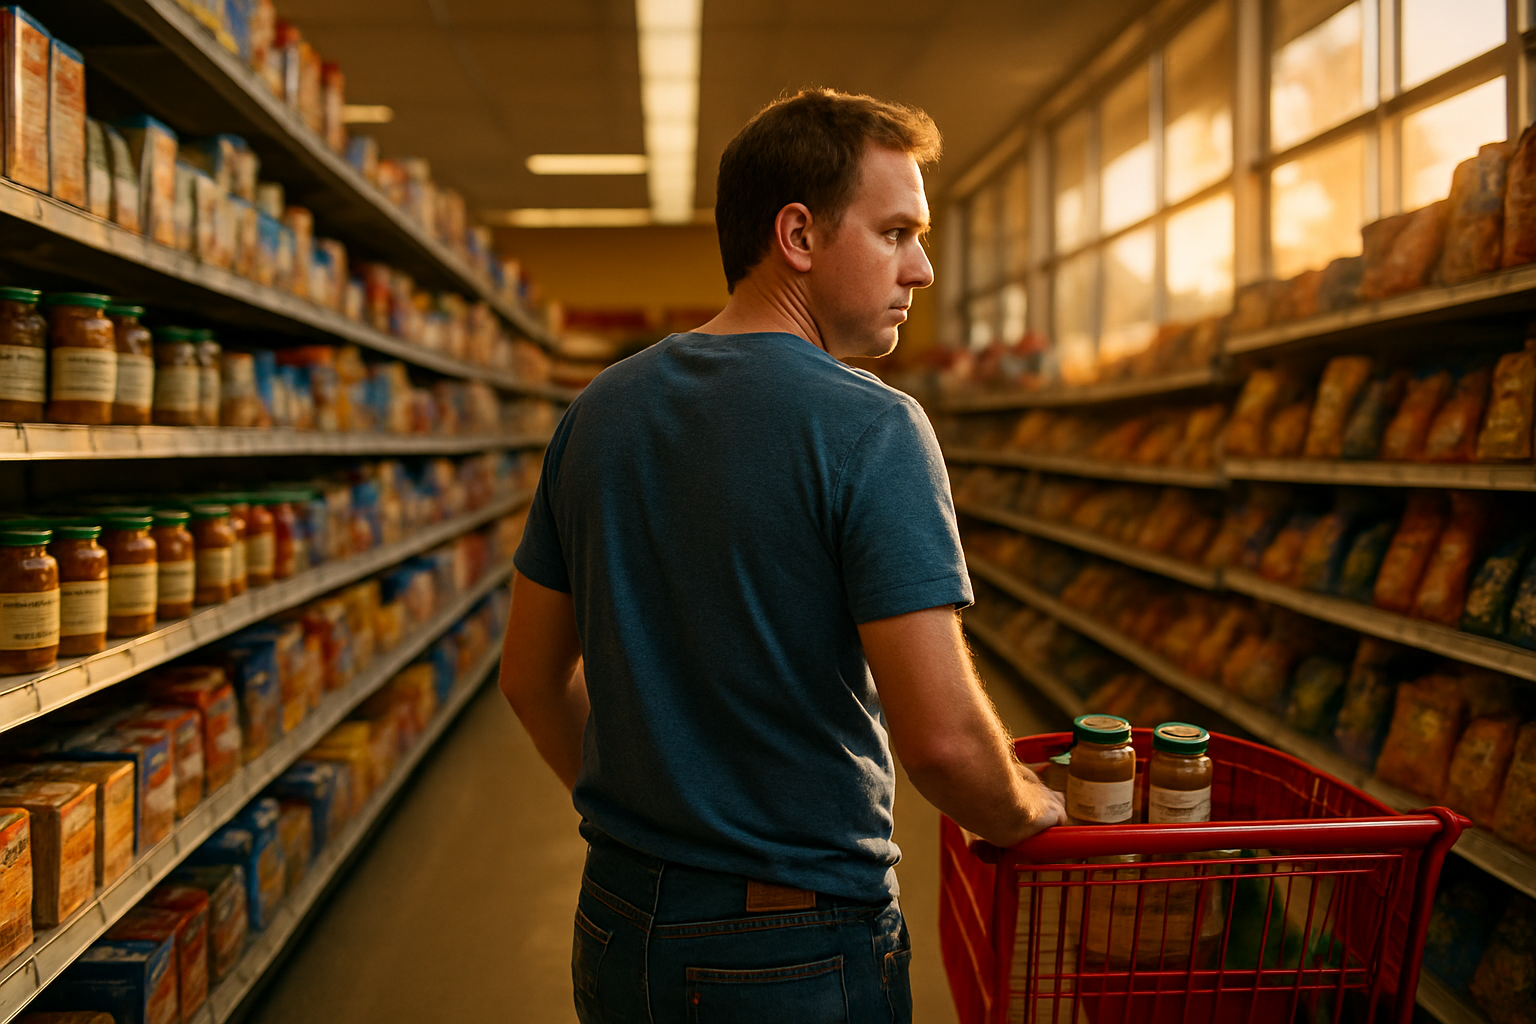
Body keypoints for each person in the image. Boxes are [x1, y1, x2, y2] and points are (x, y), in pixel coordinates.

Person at [499, 87, 1064, 1024]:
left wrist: (666, 819)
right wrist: (1028, 811)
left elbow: (529, 677)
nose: (921, 269)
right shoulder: (872, 428)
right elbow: (944, 744)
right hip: (792, 949)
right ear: (797, 236)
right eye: (895, 233)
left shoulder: (598, 412)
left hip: (616, 922)